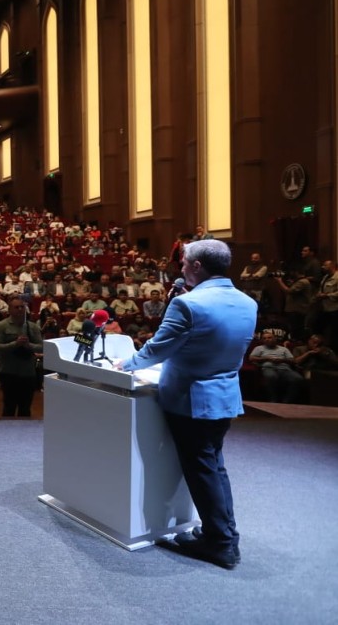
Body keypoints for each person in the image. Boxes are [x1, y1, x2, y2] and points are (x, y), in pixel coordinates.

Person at [116, 239, 254, 570]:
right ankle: (224, 535)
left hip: (191, 400)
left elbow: (158, 349)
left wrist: (126, 364)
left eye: (184, 263)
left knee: (202, 469)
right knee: (213, 466)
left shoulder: (188, 304)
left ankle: (219, 543)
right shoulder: (248, 302)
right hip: (225, 397)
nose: (180, 268)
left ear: (196, 266)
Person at [0, 297, 43, 417]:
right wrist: (15, 344)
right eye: (16, 307)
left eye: (22, 307)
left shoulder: (33, 327)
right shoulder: (1, 326)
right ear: (9, 310)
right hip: (9, 372)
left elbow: (41, 347)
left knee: (25, 409)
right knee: (9, 408)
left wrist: (28, 345)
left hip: (28, 373)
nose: (20, 309)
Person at [249, 331, 307, 404]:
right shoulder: (259, 348)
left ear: (275, 338)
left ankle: (287, 400)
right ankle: (273, 399)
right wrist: (267, 358)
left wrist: (281, 360)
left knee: (298, 379)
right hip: (268, 367)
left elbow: (293, 360)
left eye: (269, 338)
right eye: (264, 338)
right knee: (271, 376)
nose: (267, 339)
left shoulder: (283, 349)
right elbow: (251, 358)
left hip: (284, 368)